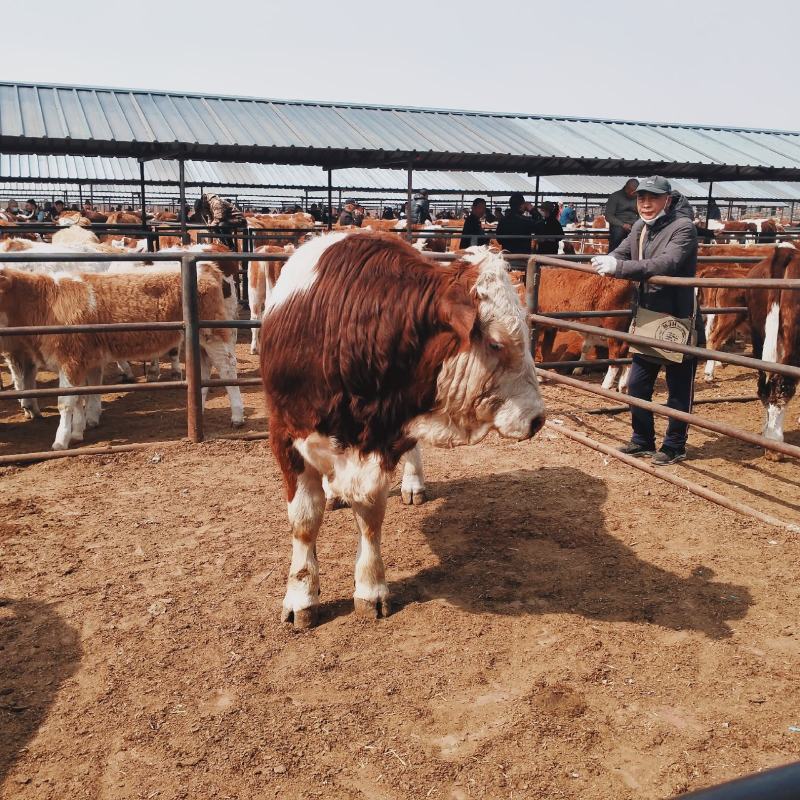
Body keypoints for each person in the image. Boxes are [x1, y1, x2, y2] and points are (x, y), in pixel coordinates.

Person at [591, 176, 702, 466]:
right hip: (647, 315)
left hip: (677, 317)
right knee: (638, 385)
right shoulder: (640, 227)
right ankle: (642, 440)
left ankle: (675, 445)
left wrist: (620, 268)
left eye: (652, 198)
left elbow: (667, 264)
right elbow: (623, 250)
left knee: (678, 387)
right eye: (641, 198)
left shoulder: (684, 228)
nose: (646, 204)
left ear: (668, 199)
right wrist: (608, 260)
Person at [605, 179, 640, 251]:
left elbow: (642, 213)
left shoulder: (639, 198)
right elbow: (608, 216)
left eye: (636, 192)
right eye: (632, 192)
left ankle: (638, 258)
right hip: (618, 225)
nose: (634, 194)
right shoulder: (615, 196)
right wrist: (622, 224)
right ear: (626, 188)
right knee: (617, 234)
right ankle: (612, 255)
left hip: (634, 224)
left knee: (642, 236)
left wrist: (637, 223)